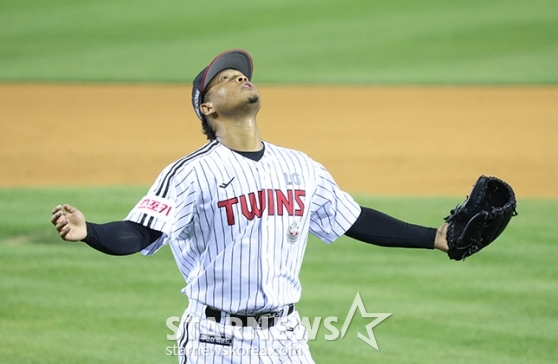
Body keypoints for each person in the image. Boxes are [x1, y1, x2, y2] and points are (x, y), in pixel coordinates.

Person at [51, 49, 449, 364]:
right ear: (208, 109)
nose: (241, 78)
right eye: (225, 79)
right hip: (215, 341)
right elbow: (141, 231)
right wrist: (92, 232)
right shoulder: (191, 172)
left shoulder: (300, 166)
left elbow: (355, 219)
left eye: (241, 74)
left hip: (288, 337)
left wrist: (436, 237)